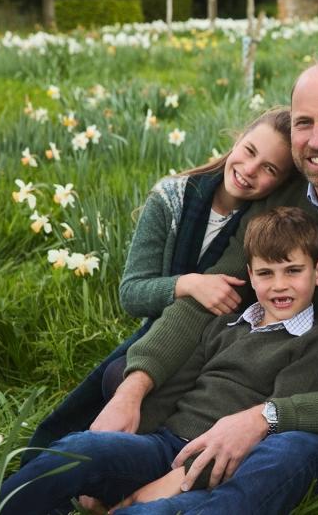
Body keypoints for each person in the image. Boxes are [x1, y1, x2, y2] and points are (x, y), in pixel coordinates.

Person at [82, 61, 318, 514]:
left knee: (280, 455)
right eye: (304, 123)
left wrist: (263, 418)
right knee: (125, 376)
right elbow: (210, 299)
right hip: (250, 388)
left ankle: (160, 498)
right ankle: (132, 472)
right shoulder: (281, 200)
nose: (317, 140)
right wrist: (132, 391)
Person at [0, 206, 318, 514]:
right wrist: (124, 445)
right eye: (266, 273)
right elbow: (173, 390)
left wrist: (170, 483)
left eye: (293, 271)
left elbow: (271, 432)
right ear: (250, 276)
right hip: (164, 446)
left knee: (150, 511)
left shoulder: (314, 346)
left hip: (219, 470)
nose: (279, 285)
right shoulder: (225, 326)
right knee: (81, 449)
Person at [26, 108, 296, 459]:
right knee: (117, 377)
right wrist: (187, 284)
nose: (250, 169)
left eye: (269, 169)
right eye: (249, 151)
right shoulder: (171, 199)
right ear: (238, 140)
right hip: (164, 333)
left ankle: (150, 458)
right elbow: (132, 293)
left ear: (281, 183)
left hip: (220, 342)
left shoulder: (263, 222)